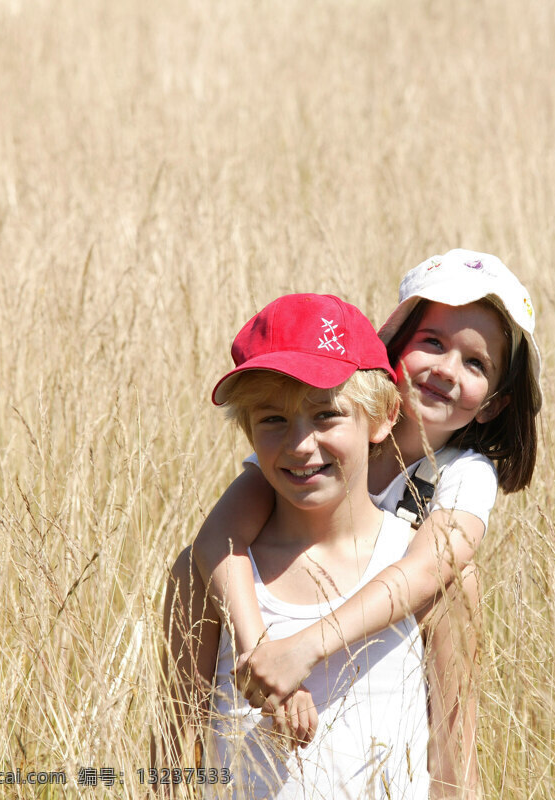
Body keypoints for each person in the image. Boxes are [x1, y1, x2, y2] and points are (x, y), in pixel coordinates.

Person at [162, 251, 542, 798]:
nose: (446, 370)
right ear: (391, 355)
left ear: (494, 404)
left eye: (476, 363)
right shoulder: (287, 472)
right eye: (431, 342)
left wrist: (303, 649)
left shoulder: (463, 476)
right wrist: (262, 652)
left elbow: (433, 567)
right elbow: (217, 536)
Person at [198, 292, 427, 798]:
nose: (301, 444)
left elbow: (457, 763)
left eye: (326, 415)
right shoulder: (217, 570)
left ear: (385, 415)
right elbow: (175, 743)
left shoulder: (425, 570)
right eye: (272, 419)